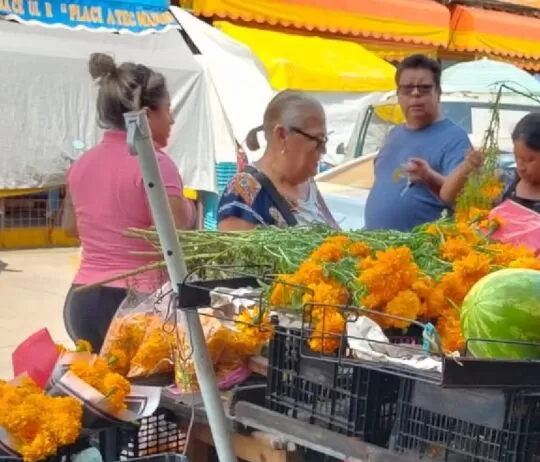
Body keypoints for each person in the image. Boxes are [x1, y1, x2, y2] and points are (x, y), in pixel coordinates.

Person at [62, 53, 195, 352]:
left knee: (98, 379)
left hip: (82, 301)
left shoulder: (82, 164)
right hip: (137, 305)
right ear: (146, 115)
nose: (172, 120)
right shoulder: (155, 164)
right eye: (168, 110)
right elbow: (177, 233)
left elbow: (70, 227)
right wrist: (190, 209)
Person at [364, 54, 473, 231]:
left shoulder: (455, 139)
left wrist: (429, 176)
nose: (415, 94)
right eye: (407, 88)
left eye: (424, 88)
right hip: (377, 243)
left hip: (421, 246)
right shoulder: (394, 134)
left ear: (438, 93)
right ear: (398, 95)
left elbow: (461, 197)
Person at [217, 91, 337, 230]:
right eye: (317, 140)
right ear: (282, 135)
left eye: (324, 140)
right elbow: (234, 244)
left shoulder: (308, 185)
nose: (323, 150)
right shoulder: (243, 192)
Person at [441, 111, 540, 216]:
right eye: (518, 158)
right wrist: (467, 167)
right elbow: (448, 197)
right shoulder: (503, 181)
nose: (521, 167)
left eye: (530, 160)